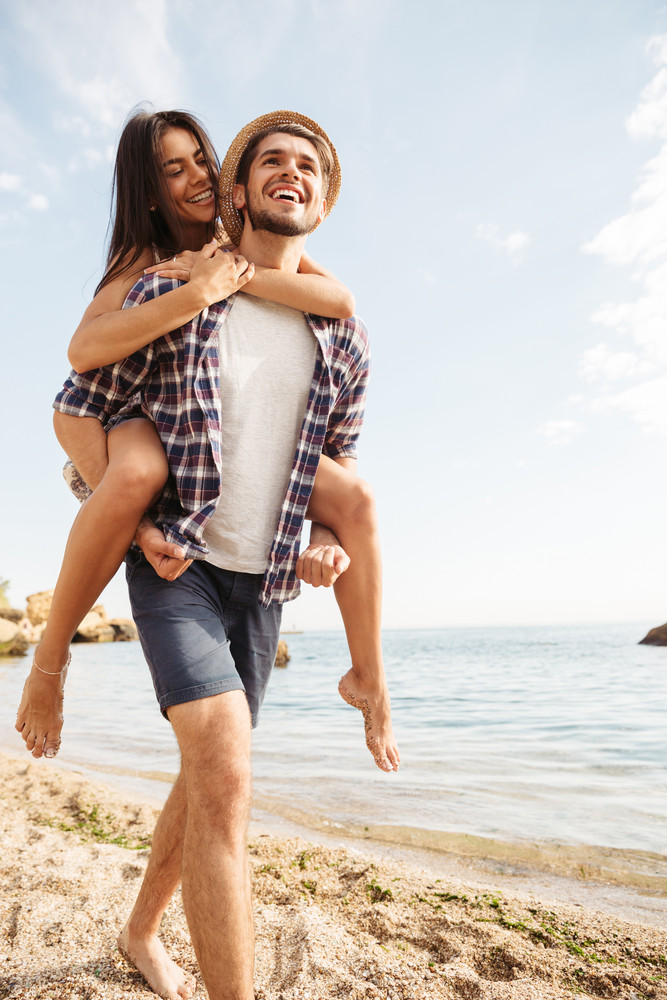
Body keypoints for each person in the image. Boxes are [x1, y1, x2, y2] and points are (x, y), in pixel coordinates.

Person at [15, 108, 399, 778]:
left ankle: (369, 675)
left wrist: (233, 277)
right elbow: (81, 360)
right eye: (172, 168)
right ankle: (50, 662)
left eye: (200, 159)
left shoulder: (232, 238)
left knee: (356, 500)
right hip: (134, 415)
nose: (194, 176)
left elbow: (337, 300)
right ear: (147, 188)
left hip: (231, 456)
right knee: (135, 479)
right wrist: (197, 292)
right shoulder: (145, 265)